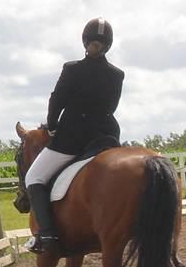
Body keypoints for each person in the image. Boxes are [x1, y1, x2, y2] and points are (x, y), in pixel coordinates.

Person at [25, 17, 125, 253]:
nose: (94, 45)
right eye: (94, 42)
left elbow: (56, 100)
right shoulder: (116, 74)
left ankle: (46, 236)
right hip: (104, 138)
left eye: (95, 42)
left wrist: (51, 126)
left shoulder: (71, 69)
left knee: (33, 178)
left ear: (86, 41)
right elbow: (111, 107)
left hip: (70, 139)